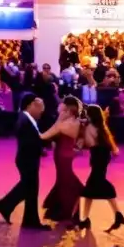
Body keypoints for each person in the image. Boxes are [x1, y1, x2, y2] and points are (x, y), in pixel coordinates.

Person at [0, 95, 51, 230]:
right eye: (39, 106)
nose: (42, 110)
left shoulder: (26, 118)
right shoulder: (24, 119)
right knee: (30, 188)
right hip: (27, 159)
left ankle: (8, 208)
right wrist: (41, 146)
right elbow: (28, 140)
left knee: (29, 189)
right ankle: (10, 209)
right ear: (31, 105)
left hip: (28, 158)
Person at [40, 96, 86, 227]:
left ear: (68, 109)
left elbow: (46, 135)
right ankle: (64, 210)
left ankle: (68, 211)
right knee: (63, 180)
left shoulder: (67, 122)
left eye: (62, 104)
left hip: (64, 155)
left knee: (67, 181)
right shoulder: (69, 121)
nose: (59, 105)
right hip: (62, 154)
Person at [80, 104, 124, 232]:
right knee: (90, 189)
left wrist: (82, 131)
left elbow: (89, 144)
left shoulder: (89, 127)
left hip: (97, 157)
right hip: (103, 157)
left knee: (94, 187)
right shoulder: (101, 127)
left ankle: (116, 215)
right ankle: (86, 219)